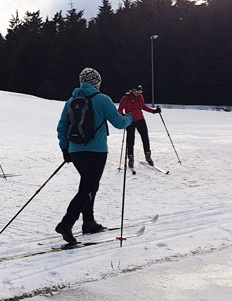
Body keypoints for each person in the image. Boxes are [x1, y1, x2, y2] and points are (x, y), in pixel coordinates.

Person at [55, 67, 133, 244]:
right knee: (87, 188)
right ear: (97, 82)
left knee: (90, 186)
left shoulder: (71, 101)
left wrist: (65, 149)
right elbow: (119, 123)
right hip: (96, 151)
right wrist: (129, 118)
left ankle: (88, 222)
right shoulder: (103, 99)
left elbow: (61, 127)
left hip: (75, 152)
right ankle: (66, 223)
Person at [118, 84, 161, 167]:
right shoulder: (125, 98)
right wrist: (123, 116)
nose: (139, 93)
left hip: (141, 120)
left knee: (145, 138)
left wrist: (154, 111)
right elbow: (120, 110)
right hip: (130, 121)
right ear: (133, 91)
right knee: (130, 140)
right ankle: (131, 158)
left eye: (140, 92)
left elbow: (143, 107)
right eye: (138, 92)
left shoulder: (140, 97)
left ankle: (148, 156)